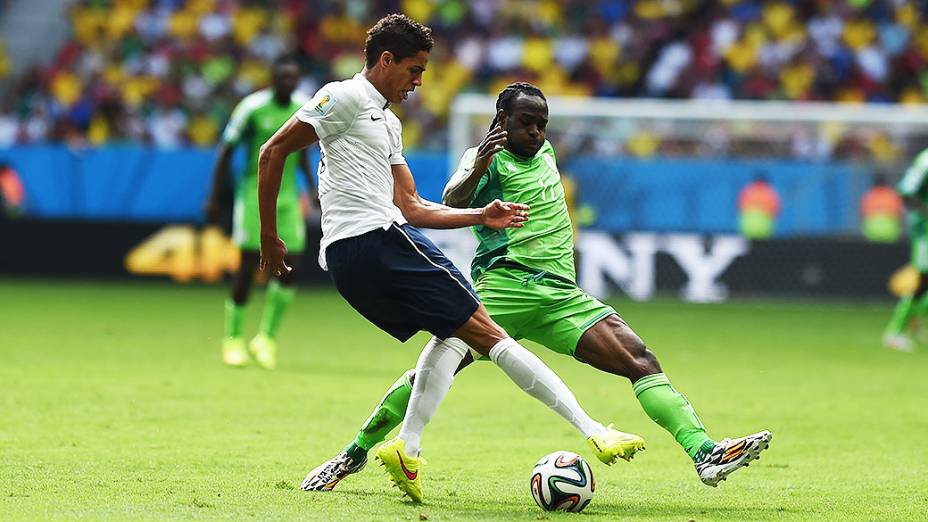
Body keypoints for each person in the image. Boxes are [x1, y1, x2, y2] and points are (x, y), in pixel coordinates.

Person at [301, 82, 773, 494]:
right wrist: (478, 164)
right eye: (527, 123)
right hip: (505, 286)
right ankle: (355, 452)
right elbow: (451, 200)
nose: (536, 132)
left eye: (542, 124)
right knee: (434, 371)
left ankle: (704, 452)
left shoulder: (544, 152)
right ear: (501, 122)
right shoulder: (485, 159)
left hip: (560, 295)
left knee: (639, 359)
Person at [257, 15, 643, 503]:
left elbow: (414, 206)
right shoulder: (344, 97)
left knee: (454, 336)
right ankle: (593, 430)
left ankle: (405, 449)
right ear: (386, 60)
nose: (419, 81)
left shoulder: (388, 122)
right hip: (375, 240)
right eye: (414, 70)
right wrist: (269, 235)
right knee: (489, 333)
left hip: (354, 261)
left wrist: (483, 214)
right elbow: (272, 153)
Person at [206, 56, 314, 370]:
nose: (288, 84)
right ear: (273, 78)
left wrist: (312, 188)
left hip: (289, 198)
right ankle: (233, 338)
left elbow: (303, 153)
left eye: (293, 79)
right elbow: (226, 151)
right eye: (283, 78)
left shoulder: (302, 107)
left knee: (290, 268)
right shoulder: (251, 109)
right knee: (247, 266)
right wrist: (215, 196)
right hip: (253, 196)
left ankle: (266, 338)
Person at [884, 148, 928, 352]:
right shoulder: (926, 160)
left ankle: (916, 321)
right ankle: (895, 332)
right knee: (923, 280)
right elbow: (906, 191)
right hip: (925, 231)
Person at [860, 173, 903, 243]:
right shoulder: (892, 195)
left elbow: (863, 214)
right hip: (891, 232)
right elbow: (900, 215)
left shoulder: (868, 196)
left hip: (871, 232)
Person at [737, 173, 780, 239]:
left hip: (746, 227)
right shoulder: (770, 192)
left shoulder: (747, 190)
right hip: (764, 228)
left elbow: (739, 206)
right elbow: (776, 211)